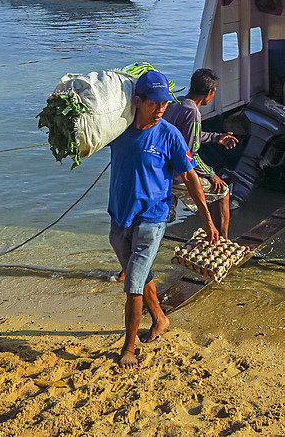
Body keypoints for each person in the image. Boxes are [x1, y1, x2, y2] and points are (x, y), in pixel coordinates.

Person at [107, 69, 216, 369]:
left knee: (132, 283)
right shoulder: (118, 131)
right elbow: (89, 133)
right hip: (119, 217)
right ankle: (160, 318)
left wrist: (206, 219)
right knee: (138, 274)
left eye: (165, 104)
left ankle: (128, 347)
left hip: (153, 219)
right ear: (138, 101)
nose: (161, 110)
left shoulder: (169, 134)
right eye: (154, 103)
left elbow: (191, 177)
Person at [163, 68, 238, 239]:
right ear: (208, 93)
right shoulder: (193, 112)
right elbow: (190, 154)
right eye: (214, 92)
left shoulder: (175, 103)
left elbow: (189, 136)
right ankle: (222, 242)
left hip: (164, 171)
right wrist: (212, 175)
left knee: (166, 217)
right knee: (223, 191)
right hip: (178, 175)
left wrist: (217, 137)